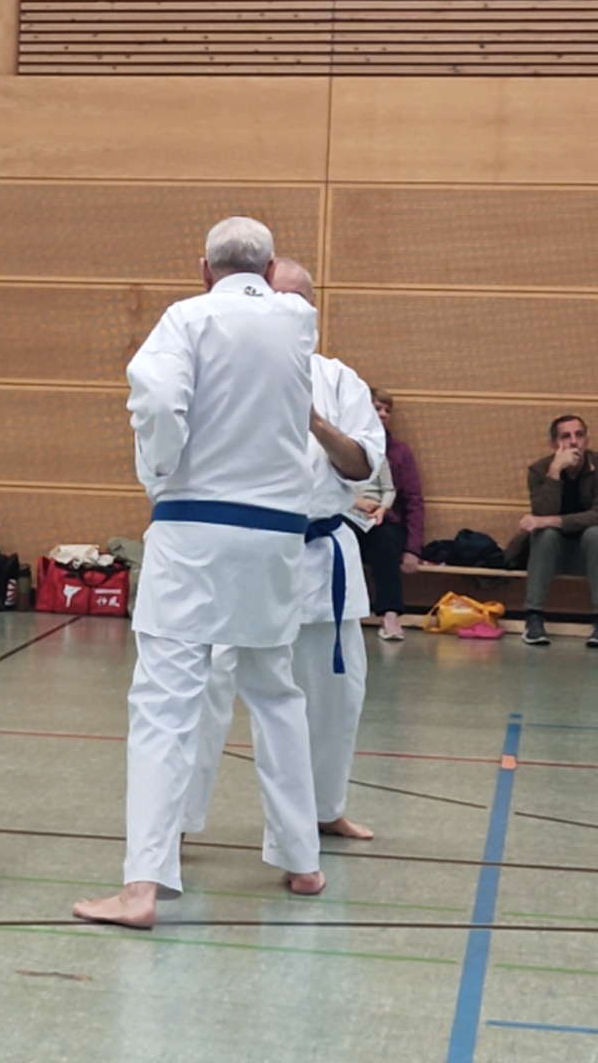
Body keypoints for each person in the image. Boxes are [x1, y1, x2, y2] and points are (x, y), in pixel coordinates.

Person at [72, 219, 324, 930]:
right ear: (271, 266)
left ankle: (143, 887)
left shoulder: (188, 315)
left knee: (165, 704)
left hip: (196, 527)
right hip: (277, 537)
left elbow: (154, 398)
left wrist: (160, 468)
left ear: (202, 267)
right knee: (275, 691)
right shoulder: (297, 320)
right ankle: (302, 859)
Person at [180, 258, 385, 849]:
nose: (287, 313)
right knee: (206, 692)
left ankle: (323, 809)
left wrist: (314, 421)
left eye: (299, 302)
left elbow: (361, 466)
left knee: (335, 694)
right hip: (238, 557)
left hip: (321, 552)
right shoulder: (213, 373)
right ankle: (176, 823)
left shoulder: (339, 380)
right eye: (276, 300)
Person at [507, 415, 598, 647]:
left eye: (579, 435)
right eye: (565, 436)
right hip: (551, 555)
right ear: (554, 444)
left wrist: (550, 520)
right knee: (545, 534)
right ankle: (534, 618)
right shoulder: (539, 470)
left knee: (594, 533)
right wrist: (555, 471)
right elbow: (541, 511)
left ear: (587, 439)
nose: (574, 442)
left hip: (589, 553)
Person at [353, 389, 424, 642]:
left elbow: (413, 500)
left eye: (387, 410)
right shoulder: (344, 445)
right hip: (346, 515)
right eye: (377, 408)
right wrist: (354, 503)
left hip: (384, 520)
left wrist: (413, 549)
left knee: (384, 543)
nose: (383, 414)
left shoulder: (398, 452)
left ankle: (390, 615)